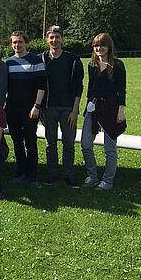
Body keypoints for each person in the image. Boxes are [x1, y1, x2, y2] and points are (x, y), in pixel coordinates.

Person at [81, 33, 126, 190]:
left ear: (109, 47)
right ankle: (92, 176)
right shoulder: (92, 65)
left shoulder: (118, 65)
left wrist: (121, 111)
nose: (99, 48)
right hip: (93, 107)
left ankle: (107, 180)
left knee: (109, 148)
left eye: (102, 45)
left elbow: (122, 90)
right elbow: (90, 87)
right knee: (86, 143)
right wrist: (87, 107)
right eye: (96, 45)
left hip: (111, 108)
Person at [41, 26, 84, 188]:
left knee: (69, 143)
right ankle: (52, 174)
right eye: (51, 37)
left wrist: (75, 111)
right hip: (48, 109)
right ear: (47, 40)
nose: (54, 40)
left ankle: (69, 175)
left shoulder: (73, 60)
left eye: (57, 37)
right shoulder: (42, 59)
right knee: (50, 143)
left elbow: (78, 88)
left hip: (68, 109)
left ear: (62, 39)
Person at [5, 31, 46, 188]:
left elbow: (42, 86)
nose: (17, 45)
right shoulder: (8, 63)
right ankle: (21, 172)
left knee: (31, 141)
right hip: (12, 109)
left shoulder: (36, 60)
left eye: (20, 42)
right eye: (14, 42)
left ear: (25, 43)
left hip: (30, 109)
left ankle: (33, 175)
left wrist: (36, 106)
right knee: (17, 141)